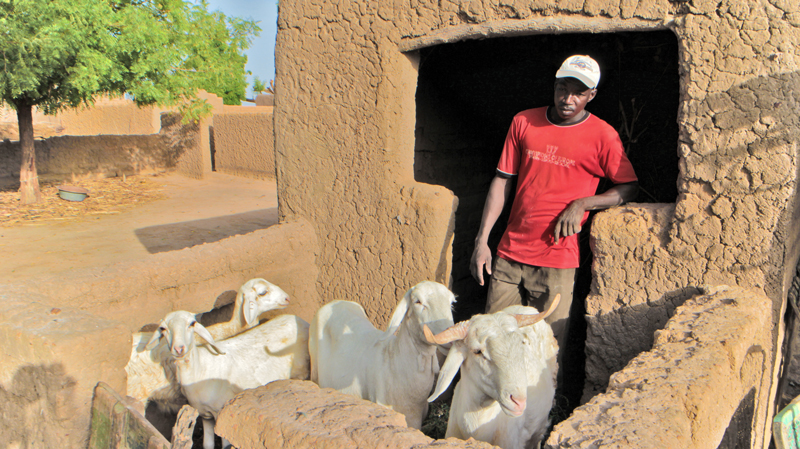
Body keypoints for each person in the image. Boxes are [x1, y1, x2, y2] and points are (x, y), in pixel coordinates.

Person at [470, 55, 639, 379]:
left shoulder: (602, 135)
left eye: (578, 92)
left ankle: (539, 422)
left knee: (545, 350)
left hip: (558, 260)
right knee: (493, 343)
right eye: (563, 88)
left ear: (591, 95)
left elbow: (627, 187)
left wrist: (583, 203)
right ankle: (490, 421)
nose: (568, 98)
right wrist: (483, 242)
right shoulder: (524, 122)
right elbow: (502, 180)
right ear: (554, 85)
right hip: (509, 256)